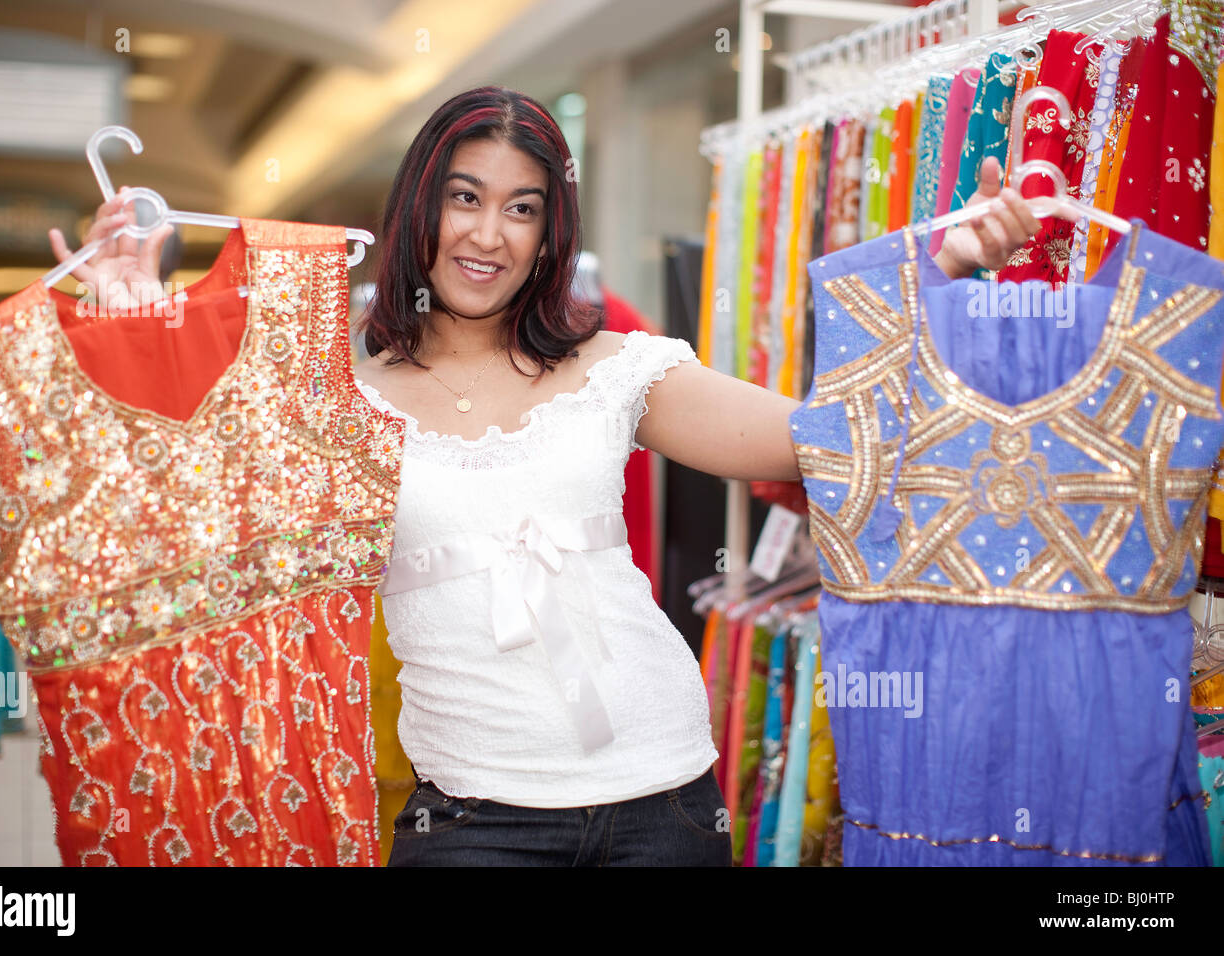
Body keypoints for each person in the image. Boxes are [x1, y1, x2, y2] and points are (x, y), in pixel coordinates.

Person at [51, 85, 1045, 866]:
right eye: (465, 198)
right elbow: (184, 504)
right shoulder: (338, 394)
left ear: (549, 232)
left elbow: (816, 440)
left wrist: (943, 266)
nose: (489, 235)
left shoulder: (613, 366)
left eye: (522, 209)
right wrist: (130, 321)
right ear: (419, 208)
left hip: (666, 805)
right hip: (470, 822)